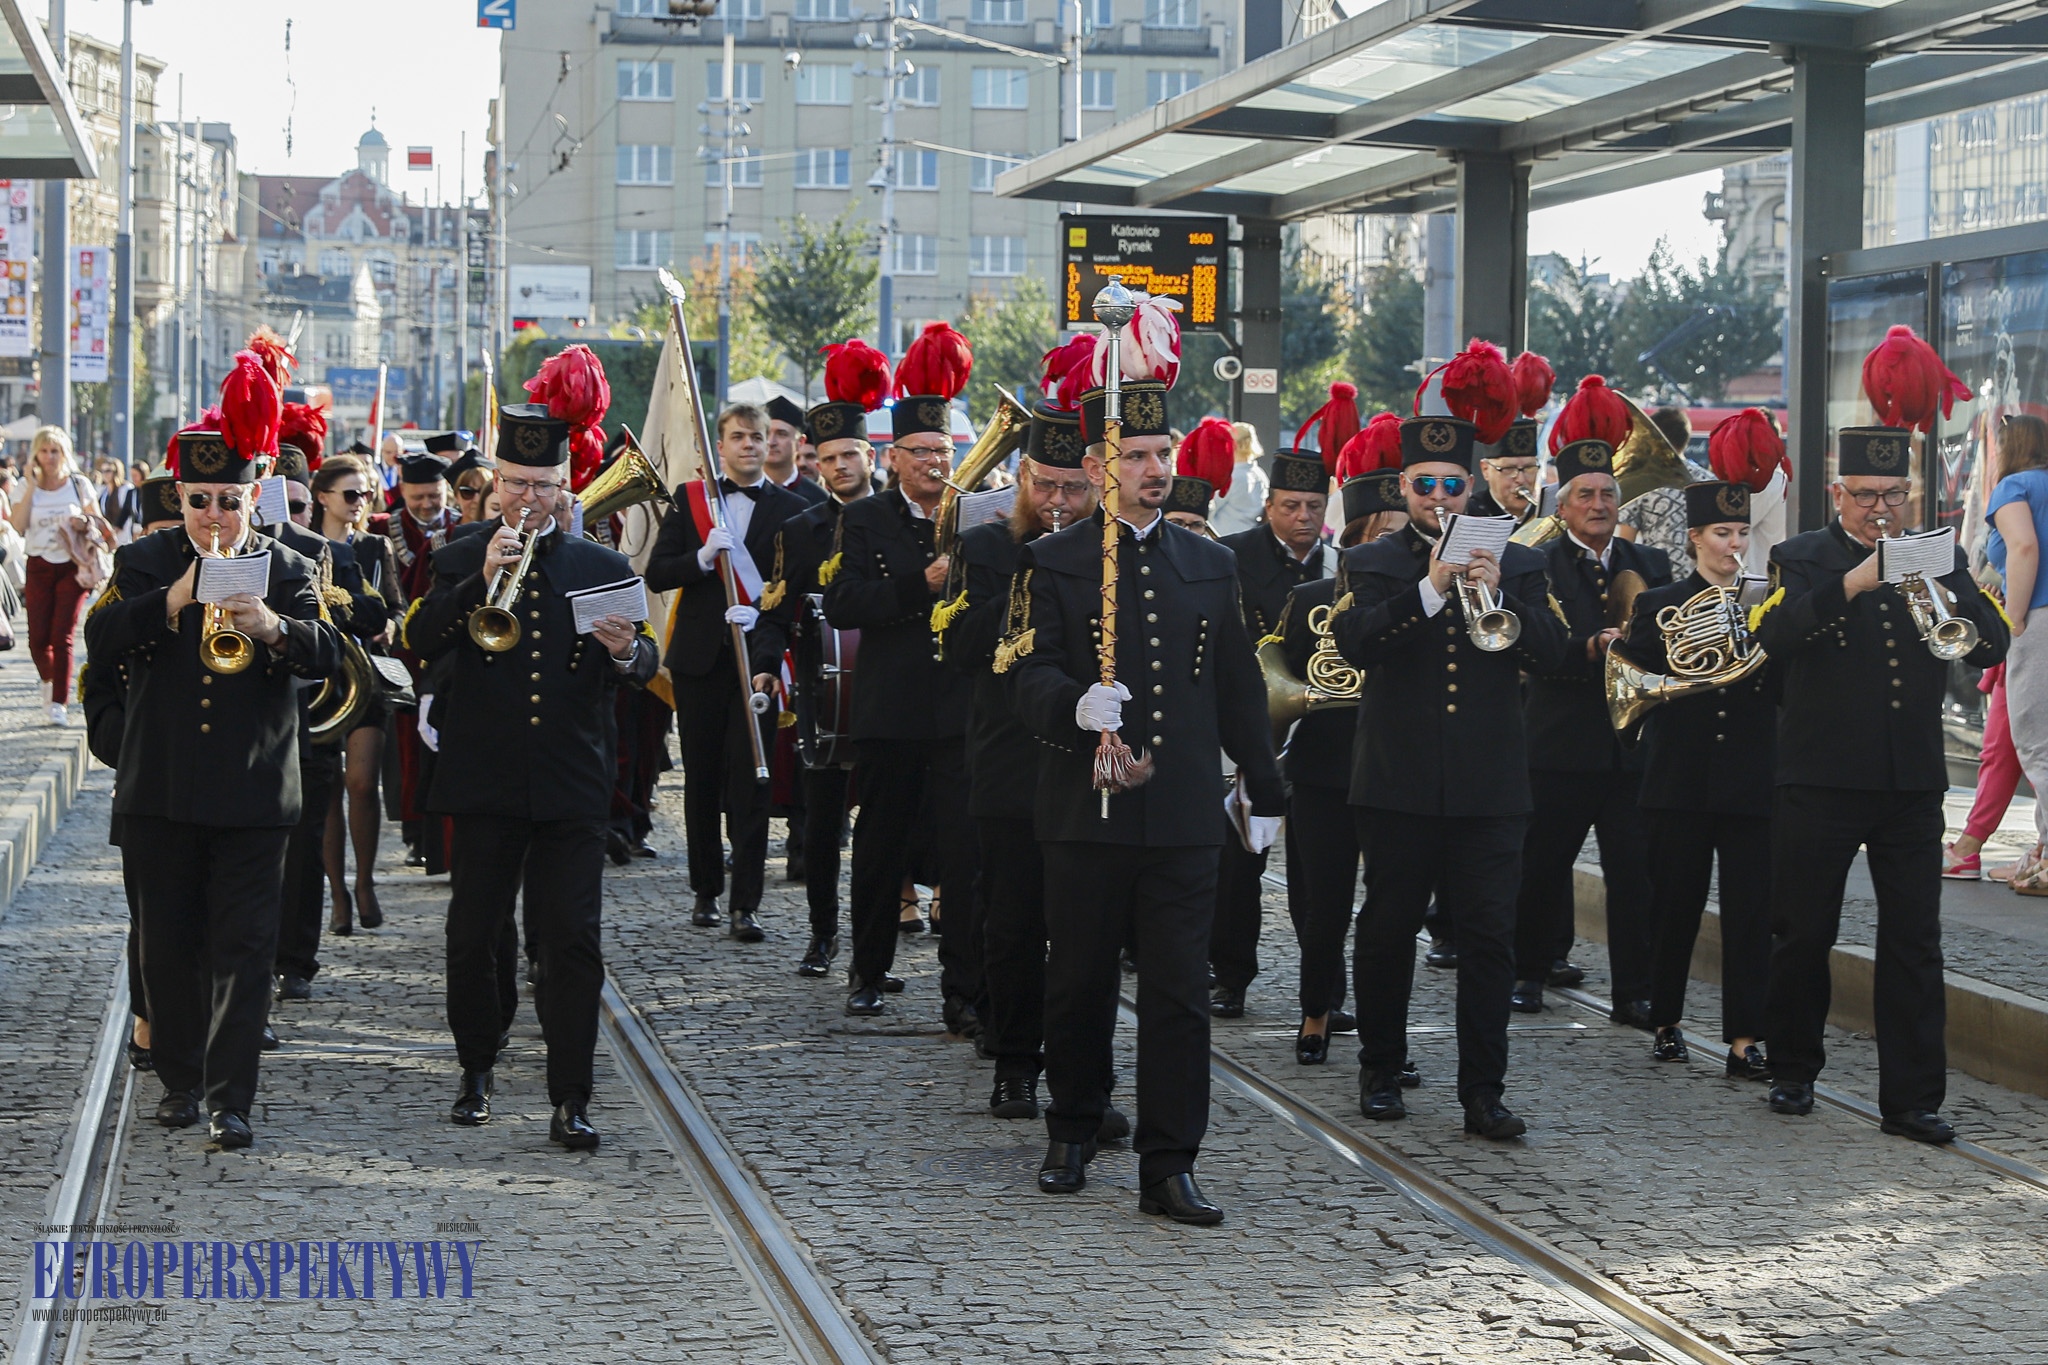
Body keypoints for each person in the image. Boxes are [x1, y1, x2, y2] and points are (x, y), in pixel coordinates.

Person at [1008, 370, 1283, 1226]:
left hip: (1180, 811)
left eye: (1161, 452)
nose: (1155, 467)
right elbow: (1025, 673)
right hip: (1086, 807)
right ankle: (1074, 1124)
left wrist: (1264, 782)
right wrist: (1071, 703)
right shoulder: (1050, 560)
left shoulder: (1210, 560)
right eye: (1136, 455)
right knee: (1079, 980)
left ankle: (1170, 1162)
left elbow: (1239, 684)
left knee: (1177, 992)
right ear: (1098, 468)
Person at [402, 402, 659, 1149]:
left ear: (566, 487)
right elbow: (418, 637)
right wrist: (478, 580)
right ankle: (476, 1066)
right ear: (495, 486)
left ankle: (570, 1093)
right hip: (483, 781)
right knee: (472, 935)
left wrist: (621, 652)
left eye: (543, 485)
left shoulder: (601, 567)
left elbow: (646, 664)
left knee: (572, 939)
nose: (528, 498)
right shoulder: (456, 554)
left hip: (572, 784)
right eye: (515, 483)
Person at [83, 427, 341, 1151]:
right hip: (160, 791)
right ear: (181, 496)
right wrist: (175, 596)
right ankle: (179, 1081)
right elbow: (100, 642)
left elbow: (327, 654)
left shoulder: (289, 563)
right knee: (167, 944)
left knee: (246, 945)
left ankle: (232, 1098)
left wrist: (273, 627)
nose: (215, 516)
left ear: (251, 498)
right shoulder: (142, 561)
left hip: (255, 795)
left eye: (230, 501)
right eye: (200, 501)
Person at [1756, 418, 2006, 1141]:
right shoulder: (1799, 556)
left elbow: (1992, 638)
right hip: (1821, 776)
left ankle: (1912, 1097)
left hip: (1909, 782)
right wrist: (1855, 582)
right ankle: (1793, 1069)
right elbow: (1774, 636)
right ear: (1837, 493)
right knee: (1803, 931)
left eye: (1893, 493)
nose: (1879, 508)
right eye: (1864, 494)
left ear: (1912, 493)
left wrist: (1946, 590)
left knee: (1914, 942)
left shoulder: (1938, 553)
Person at [1328, 413, 1568, 1139]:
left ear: (1473, 489)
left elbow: (1554, 655)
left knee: (1490, 939)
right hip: (1398, 784)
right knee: (1386, 929)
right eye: (1426, 485)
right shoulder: (1375, 562)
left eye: (1453, 485)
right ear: (1404, 488)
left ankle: (1483, 1090)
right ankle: (1380, 1067)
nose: (1440, 497)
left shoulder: (1521, 560)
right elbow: (1357, 641)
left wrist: (1506, 597)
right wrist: (1431, 587)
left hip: (1489, 788)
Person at [943, 399, 1099, 1119]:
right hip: (1008, 764)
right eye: (1045, 486)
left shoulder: (1111, 555)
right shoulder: (986, 549)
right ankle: (1014, 1061)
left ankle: (1079, 1074)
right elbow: (964, 649)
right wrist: (1028, 578)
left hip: (1081, 762)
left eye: (1073, 489)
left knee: (1083, 933)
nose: (1058, 503)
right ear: (1022, 480)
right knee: (1009, 925)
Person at [821, 332, 982, 1026]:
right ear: (894, 459)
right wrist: (921, 585)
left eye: (943, 454)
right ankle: (868, 968)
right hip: (890, 711)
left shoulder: (973, 517)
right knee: (881, 846)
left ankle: (963, 989)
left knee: (962, 851)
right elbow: (844, 602)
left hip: (958, 712)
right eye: (921, 454)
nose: (934, 464)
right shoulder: (863, 519)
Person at [1512, 433, 1671, 1021]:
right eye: (1586, 495)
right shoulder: (1535, 564)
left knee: (1635, 876)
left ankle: (1635, 990)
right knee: (1542, 868)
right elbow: (1531, 648)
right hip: (1558, 742)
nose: (1600, 504)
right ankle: (1526, 972)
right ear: (1563, 506)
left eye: (1608, 494)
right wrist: (1587, 648)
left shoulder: (1648, 563)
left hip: (1629, 750)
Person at [1619, 482, 1775, 1078]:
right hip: (1677, 777)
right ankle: (1666, 1022)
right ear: (1695, 539)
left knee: (1749, 913)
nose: (1733, 545)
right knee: (1673, 906)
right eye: (1722, 534)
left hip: (1750, 775)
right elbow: (1635, 678)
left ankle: (1745, 1037)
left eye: (1740, 534)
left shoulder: (1766, 603)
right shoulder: (1660, 603)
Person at [644, 402, 803, 941]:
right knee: (703, 781)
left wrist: (764, 612)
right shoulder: (692, 502)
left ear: (772, 444)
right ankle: (706, 891)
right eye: (738, 437)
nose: (751, 446)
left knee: (752, 779)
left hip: (757, 661)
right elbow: (657, 572)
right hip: (698, 660)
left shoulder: (792, 507)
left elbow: (797, 586)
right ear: (721, 444)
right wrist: (702, 558)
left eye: (759, 437)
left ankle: (746, 903)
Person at [761, 370, 886, 977]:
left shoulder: (899, 519)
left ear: (870, 455)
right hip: (820, 693)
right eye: (827, 458)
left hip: (890, 690)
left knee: (884, 830)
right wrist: (766, 669)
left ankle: (873, 945)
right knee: (820, 823)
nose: (839, 467)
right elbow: (776, 612)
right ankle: (822, 934)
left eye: (849, 455)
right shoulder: (799, 530)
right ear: (816, 463)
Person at [1278, 469, 1404, 1065]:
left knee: (1389, 909)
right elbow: (1277, 680)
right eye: (1389, 532)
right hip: (1323, 769)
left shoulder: (1426, 597)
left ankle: (1386, 1035)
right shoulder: (1308, 600)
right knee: (1321, 903)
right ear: (1359, 538)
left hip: (1393, 769)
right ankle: (1316, 1010)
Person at [1208, 451, 1330, 1018]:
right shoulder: (1231, 557)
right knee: (1239, 870)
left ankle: (1324, 994)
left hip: (1320, 738)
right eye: (1290, 506)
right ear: (1268, 506)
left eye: (1313, 506)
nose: (1303, 517)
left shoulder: (1344, 562)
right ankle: (1230, 976)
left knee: (1318, 879)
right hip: (1252, 734)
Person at [309, 454, 404, 937]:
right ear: (322, 496)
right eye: (350, 494)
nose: (359, 503)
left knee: (363, 783)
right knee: (325, 789)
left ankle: (365, 881)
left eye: (365, 494)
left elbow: (396, 608)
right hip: (322, 682)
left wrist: (389, 623)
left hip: (366, 677)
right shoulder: (303, 546)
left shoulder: (374, 545)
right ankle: (337, 891)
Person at [385, 453, 460, 874]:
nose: (428, 504)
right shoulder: (386, 528)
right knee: (406, 749)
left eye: (434, 495)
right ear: (404, 493)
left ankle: (438, 833)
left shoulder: (458, 528)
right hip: (405, 654)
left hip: (446, 650)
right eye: (419, 497)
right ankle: (414, 831)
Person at [10, 425, 115, 725]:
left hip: (74, 565)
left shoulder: (78, 484)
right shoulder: (25, 485)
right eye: (44, 451)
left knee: (62, 635)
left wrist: (83, 521)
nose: (49, 457)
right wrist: (31, 486)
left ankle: (59, 702)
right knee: (37, 640)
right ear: (36, 455)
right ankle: (49, 681)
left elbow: (98, 521)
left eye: (55, 451)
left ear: (64, 453)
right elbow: (18, 525)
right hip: (39, 564)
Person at [1986, 415, 2048, 893]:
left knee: (2037, 744)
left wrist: (2016, 618)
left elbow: (2024, 546)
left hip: (2040, 617)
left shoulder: (2014, 486)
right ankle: (2041, 855)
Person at [1467, 419, 1541, 525]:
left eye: (1529, 467)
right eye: (1509, 469)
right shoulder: (1469, 515)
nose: (1521, 479)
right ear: (1485, 470)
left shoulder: (1545, 514)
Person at [1207, 420, 1270, 538]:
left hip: (1224, 539)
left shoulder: (1231, 476)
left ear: (1232, 445)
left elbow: (1211, 508)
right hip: (1252, 538)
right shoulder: (1260, 474)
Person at [764, 394, 827, 507]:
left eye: (781, 434)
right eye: (766, 433)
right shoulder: (740, 489)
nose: (771, 442)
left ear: (800, 442)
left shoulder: (819, 499)